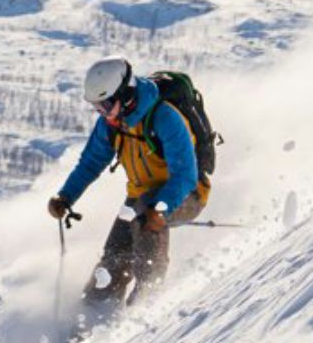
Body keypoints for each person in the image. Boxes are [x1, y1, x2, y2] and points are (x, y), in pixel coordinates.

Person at [47, 57, 209, 303]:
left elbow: (186, 175)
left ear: (125, 94)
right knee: (113, 257)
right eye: (97, 107)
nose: (102, 113)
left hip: (186, 193)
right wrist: (66, 196)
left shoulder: (165, 118)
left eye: (106, 105)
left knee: (146, 218)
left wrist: (161, 208)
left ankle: (147, 301)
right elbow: (90, 163)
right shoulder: (112, 124)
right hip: (140, 197)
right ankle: (92, 312)